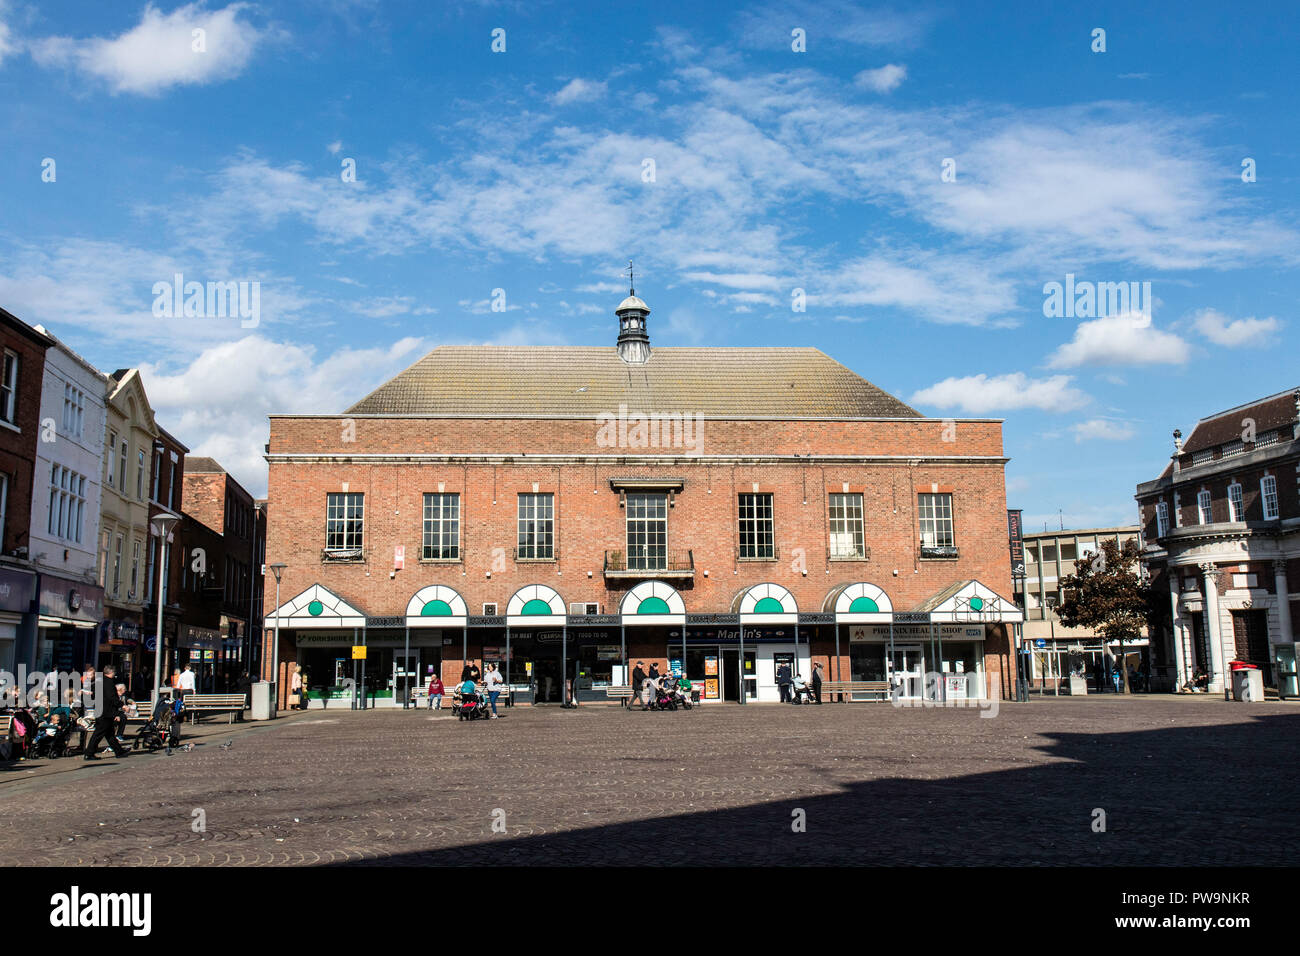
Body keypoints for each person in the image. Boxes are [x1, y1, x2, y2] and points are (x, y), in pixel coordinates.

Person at [84, 666, 128, 760]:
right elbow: (112, 697)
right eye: (114, 673)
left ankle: (119, 751)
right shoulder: (109, 683)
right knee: (99, 733)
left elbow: (92, 694)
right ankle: (89, 753)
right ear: (111, 672)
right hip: (106, 712)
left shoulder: (98, 681)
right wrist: (122, 705)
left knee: (109, 733)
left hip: (100, 710)